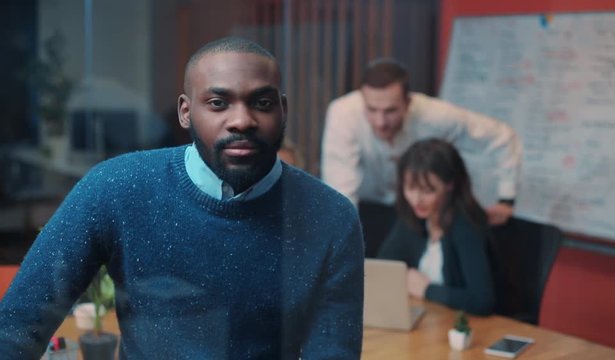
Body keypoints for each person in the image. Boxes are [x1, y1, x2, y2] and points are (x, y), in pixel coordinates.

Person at [0, 37, 364, 359]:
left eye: (262, 103)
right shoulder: (115, 187)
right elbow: (17, 327)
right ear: (186, 112)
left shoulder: (330, 216)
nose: (242, 120)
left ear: (282, 110)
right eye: (219, 103)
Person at [321, 58, 522, 257]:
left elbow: (502, 137)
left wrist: (507, 197)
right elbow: (342, 193)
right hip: (365, 207)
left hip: (419, 212)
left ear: (408, 102)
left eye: (391, 111)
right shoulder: (343, 114)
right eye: (372, 110)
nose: (380, 122)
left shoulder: (436, 116)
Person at [377, 138, 495, 315]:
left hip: (463, 327)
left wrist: (426, 289)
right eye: (410, 188)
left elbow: (482, 301)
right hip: (427, 316)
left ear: (450, 185)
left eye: (427, 190)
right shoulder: (413, 216)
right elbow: (382, 268)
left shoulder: (466, 225)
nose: (416, 200)